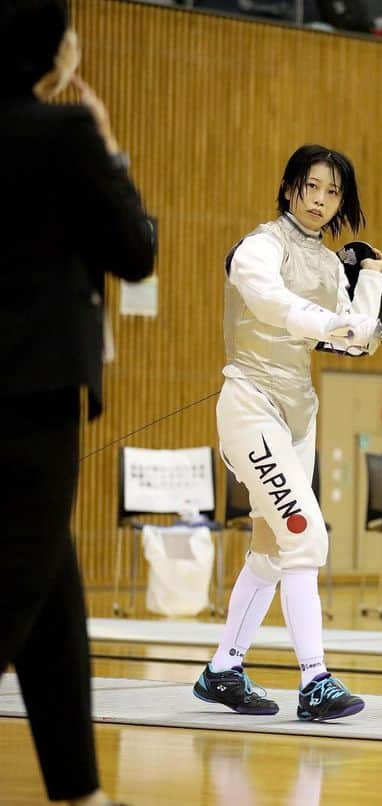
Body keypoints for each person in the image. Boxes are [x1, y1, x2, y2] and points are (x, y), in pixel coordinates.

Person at [0, 1, 157, 803]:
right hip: (30, 405)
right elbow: (134, 251)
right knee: (8, 600)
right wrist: (108, 145)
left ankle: (79, 789)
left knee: (52, 604)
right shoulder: (61, 137)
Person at [194, 144, 382, 721]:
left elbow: (357, 337)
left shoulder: (331, 266)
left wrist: (371, 282)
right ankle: (315, 680)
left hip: (298, 416)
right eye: (312, 187)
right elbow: (276, 306)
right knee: (306, 536)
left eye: (333, 192)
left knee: (273, 550)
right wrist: (335, 320)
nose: (321, 200)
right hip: (250, 406)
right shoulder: (259, 248)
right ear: (290, 189)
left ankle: (223, 670)